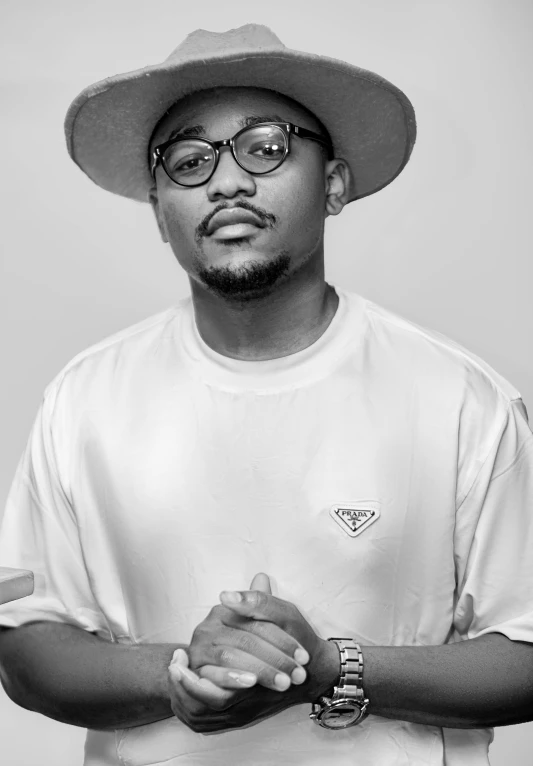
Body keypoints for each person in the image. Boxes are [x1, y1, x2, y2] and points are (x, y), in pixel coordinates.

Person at [0, 22, 532, 766]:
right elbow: (25, 648)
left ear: (333, 183)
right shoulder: (83, 400)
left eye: (265, 147)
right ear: (159, 210)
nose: (225, 181)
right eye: (188, 161)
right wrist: (179, 674)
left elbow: (525, 654)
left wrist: (326, 670)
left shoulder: (460, 400)